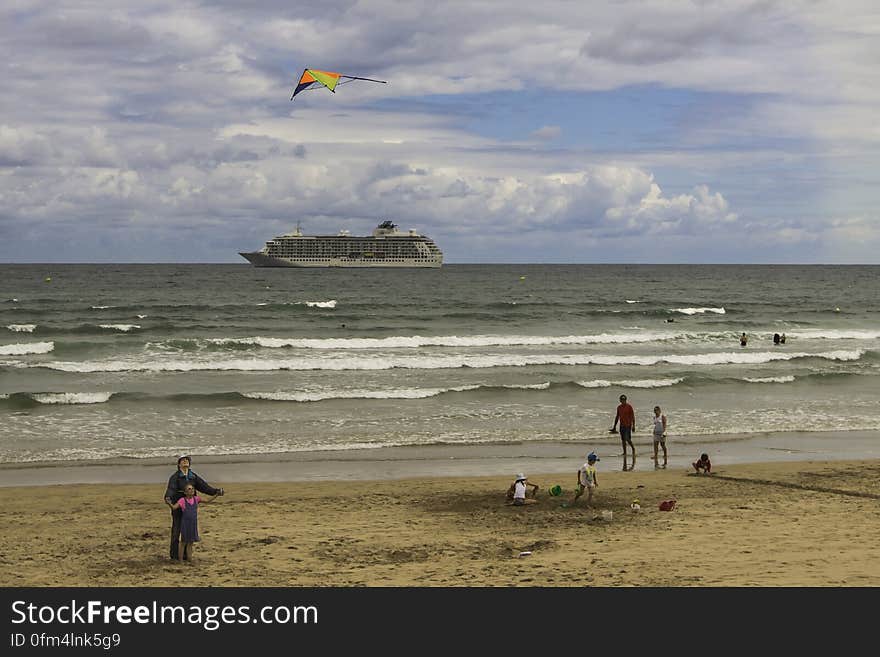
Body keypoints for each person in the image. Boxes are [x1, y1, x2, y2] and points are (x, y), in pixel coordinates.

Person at [164, 455, 224, 561]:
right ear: (179, 464)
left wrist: (215, 491)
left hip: (190, 507)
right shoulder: (175, 477)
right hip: (178, 505)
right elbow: (171, 488)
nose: (185, 461)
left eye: (187, 460)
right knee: (176, 530)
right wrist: (168, 497)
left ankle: (187, 556)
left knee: (188, 532)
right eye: (182, 460)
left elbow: (204, 487)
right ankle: (174, 556)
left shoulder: (193, 476)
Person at [175, 482, 219, 563]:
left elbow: (207, 501)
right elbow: (174, 507)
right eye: (189, 489)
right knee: (183, 542)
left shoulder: (196, 499)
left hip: (193, 523)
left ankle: (189, 559)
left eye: (192, 488)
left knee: (191, 542)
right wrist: (169, 503)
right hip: (185, 524)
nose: (191, 490)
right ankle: (180, 560)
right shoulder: (182, 500)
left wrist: (216, 495)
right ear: (185, 492)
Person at [610, 394, 636, 470]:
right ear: (620, 400)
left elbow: (633, 416)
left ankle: (633, 448)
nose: (623, 401)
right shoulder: (619, 407)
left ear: (626, 400)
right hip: (622, 425)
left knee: (627, 438)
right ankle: (625, 452)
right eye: (622, 400)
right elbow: (617, 416)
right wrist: (614, 426)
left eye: (624, 400)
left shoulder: (629, 407)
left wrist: (634, 426)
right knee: (623, 440)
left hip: (628, 425)